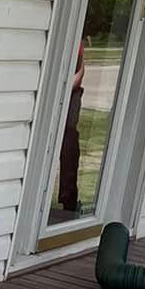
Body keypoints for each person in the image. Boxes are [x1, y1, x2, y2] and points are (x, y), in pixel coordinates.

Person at [57, 36, 87, 214]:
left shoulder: (78, 40)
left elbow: (81, 69)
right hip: (53, 88)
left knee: (69, 138)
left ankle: (68, 200)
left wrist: (67, 87)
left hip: (72, 93)